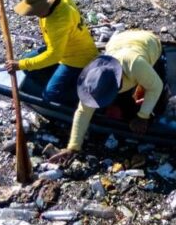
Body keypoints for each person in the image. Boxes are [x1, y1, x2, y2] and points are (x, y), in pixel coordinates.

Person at [49, 29, 168, 163]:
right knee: (124, 108)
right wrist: (72, 147)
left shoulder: (134, 64)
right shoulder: (94, 77)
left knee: (159, 106)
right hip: (118, 42)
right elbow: (83, 111)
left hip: (147, 42)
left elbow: (156, 86)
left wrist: (143, 116)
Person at [0, 0, 98, 106]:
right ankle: (54, 74)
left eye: (37, 9)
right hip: (62, 48)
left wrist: (20, 65)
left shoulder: (58, 21)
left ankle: (88, 95)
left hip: (77, 59)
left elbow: (54, 55)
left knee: (51, 94)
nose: (35, 14)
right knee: (27, 60)